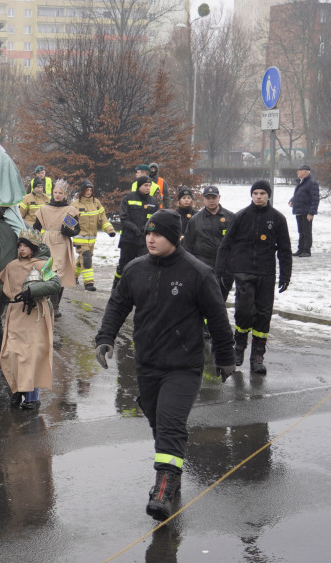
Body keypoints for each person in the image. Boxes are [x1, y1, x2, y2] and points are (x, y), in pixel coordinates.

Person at [95, 209, 235, 521]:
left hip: (183, 366)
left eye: (157, 234)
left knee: (170, 424)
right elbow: (117, 305)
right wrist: (105, 337)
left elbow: (218, 318)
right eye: (148, 233)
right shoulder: (135, 269)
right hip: (147, 363)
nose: (150, 238)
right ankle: (173, 468)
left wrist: (226, 357)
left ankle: (163, 487)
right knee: (159, 423)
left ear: (174, 237)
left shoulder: (197, 273)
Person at [215, 180, 292, 374]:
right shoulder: (241, 216)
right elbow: (226, 245)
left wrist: (285, 275)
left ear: (268, 196)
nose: (259, 196)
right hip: (244, 272)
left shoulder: (277, 219)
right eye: (256, 193)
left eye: (262, 193)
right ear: (251, 195)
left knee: (263, 315)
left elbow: (284, 250)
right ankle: (239, 348)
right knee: (244, 311)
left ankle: (258, 355)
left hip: (266, 274)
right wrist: (222, 271)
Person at [0, 228, 61, 409]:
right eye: (20, 245)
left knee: (30, 357)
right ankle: (17, 390)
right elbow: (5, 291)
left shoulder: (43, 265)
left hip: (36, 317)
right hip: (16, 316)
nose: (22, 249)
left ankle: (32, 399)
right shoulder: (12, 266)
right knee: (12, 353)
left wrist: (32, 291)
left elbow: (56, 284)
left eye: (26, 246)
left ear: (33, 248)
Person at [34, 179, 80, 319]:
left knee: (59, 275)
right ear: (52, 193)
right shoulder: (44, 209)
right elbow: (36, 227)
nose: (58, 195)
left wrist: (68, 230)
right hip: (47, 242)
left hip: (62, 243)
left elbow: (76, 229)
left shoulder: (68, 210)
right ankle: (47, 302)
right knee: (48, 272)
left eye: (60, 193)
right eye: (55, 192)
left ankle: (55, 305)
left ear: (64, 194)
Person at [183, 185, 234, 302]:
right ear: (203, 199)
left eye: (214, 197)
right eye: (208, 198)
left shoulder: (230, 217)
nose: (211, 200)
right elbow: (187, 246)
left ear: (219, 197)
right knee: (206, 300)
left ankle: (218, 320)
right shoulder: (195, 220)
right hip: (204, 266)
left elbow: (237, 243)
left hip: (225, 267)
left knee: (221, 300)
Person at [114, 173, 159, 290]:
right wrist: (134, 228)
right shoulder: (128, 198)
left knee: (143, 267)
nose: (148, 188)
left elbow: (155, 219)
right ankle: (117, 288)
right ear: (139, 186)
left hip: (144, 240)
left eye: (149, 185)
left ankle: (138, 291)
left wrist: (146, 228)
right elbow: (123, 218)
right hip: (128, 239)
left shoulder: (154, 201)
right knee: (124, 266)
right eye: (145, 185)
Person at [71, 179, 116, 292]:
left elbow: (102, 219)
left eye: (90, 190)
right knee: (86, 259)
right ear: (82, 191)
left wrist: (110, 230)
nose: (89, 192)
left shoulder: (96, 203)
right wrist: (66, 232)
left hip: (92, 240)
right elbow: (68, 222)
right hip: (80, 238)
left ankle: (73, 277)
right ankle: (89, 283)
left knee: (84, 259)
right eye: (86, 190)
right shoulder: (75, 204)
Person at [289, 165, 319, 257]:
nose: (297, 172)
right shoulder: (300, 182)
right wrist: (292, 201)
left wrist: (311, 213)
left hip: (306, 212)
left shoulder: (312, 183)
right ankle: (300, 249)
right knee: (301, 231)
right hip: (299, 210)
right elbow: (299, 194)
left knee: (306, 231)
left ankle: (306, 250)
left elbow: (315, 199)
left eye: (299, 170)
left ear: (306, 172)